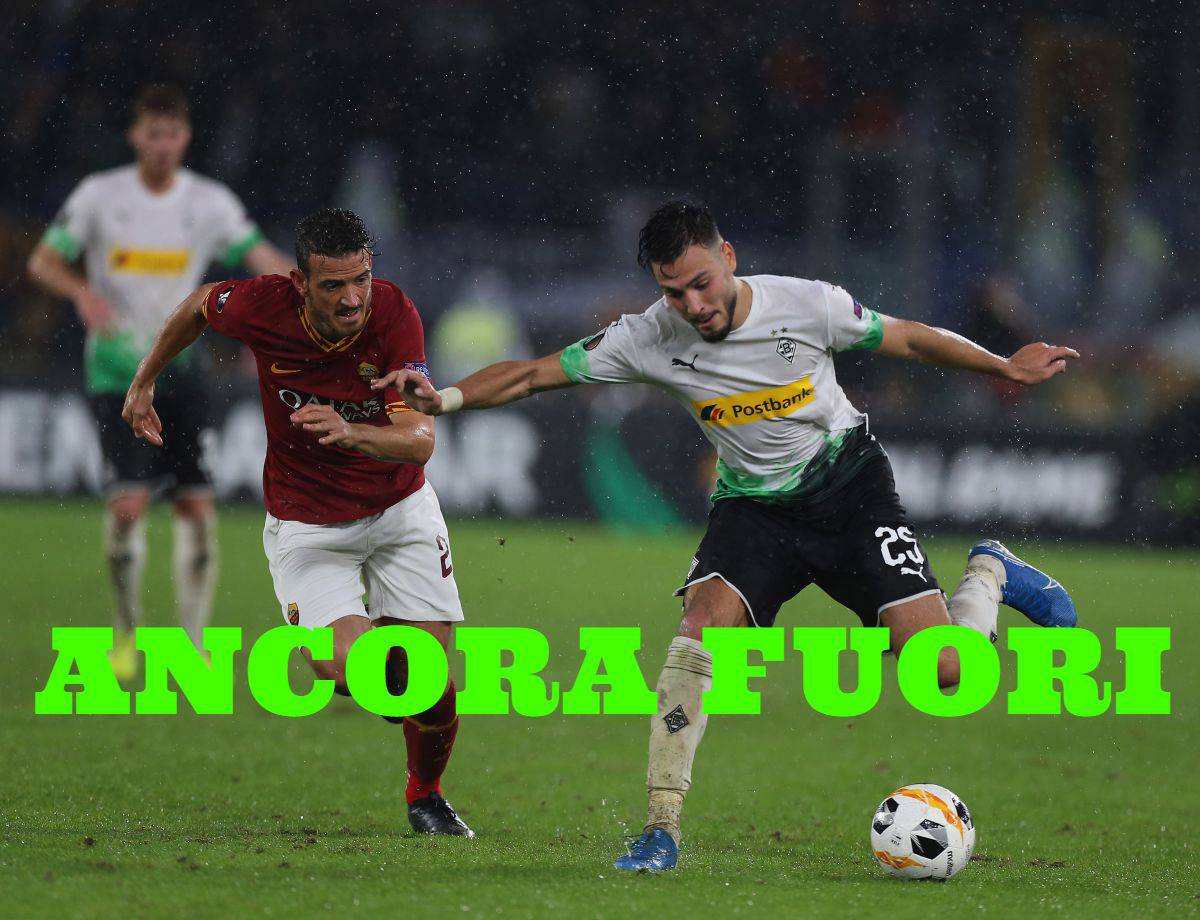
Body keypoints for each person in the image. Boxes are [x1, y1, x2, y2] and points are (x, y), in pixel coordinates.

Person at [371, 200, 1081, 868]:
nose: (693, 304)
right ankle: (660, 830)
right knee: (697, 630)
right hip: (753, 510)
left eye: (701, 283)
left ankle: (989, 572)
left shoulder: (805, 304)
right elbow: (532, 375)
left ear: (729, 258)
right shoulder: (650, 335)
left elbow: (907, 337)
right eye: (673, 291)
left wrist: (1001, 364)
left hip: (850, 490)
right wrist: (447, 398)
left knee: (947, 673)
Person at [121, 208, 473, 837]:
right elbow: (201, 303)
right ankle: (390, 678)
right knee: (350, 670)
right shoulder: (263, 305)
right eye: (333, 285)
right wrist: (145, 378)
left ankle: (426, 797)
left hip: (400, 511)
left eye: (361, 279)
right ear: (300, 283)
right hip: (309, 525)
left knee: (430, 683)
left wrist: (351, 432)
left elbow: (420, 442)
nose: (352, 299)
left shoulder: (394, 315)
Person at [27, 84, 293, 679]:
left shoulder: (209, 202)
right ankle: (126, 633)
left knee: (196, 505)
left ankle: (192, 647)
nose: (164, 145)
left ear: (186, 137)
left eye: (173, 134)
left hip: (183, 370)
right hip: (115, 371)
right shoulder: (99, 196)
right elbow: (43, 260)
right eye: (154, 133)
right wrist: (81, 291)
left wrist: (302, 287)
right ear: (135, 136)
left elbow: (260, 258)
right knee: (128, 505)